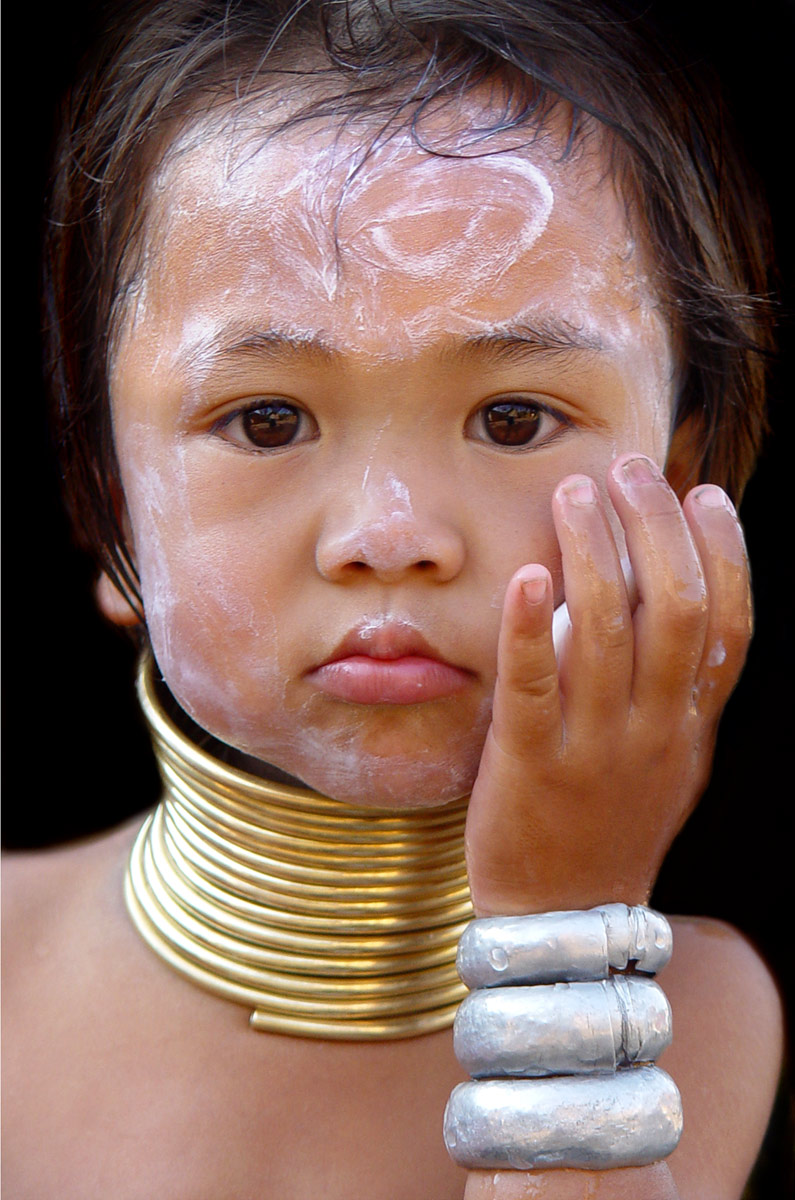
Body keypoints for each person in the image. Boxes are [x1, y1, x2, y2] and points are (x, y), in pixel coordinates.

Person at [2, 2, 786, 1197]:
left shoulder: (724, 1026)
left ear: (684, 496)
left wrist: (565, 925)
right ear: (114, 513)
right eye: (266, 421)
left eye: (513, 419)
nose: (390, 537)